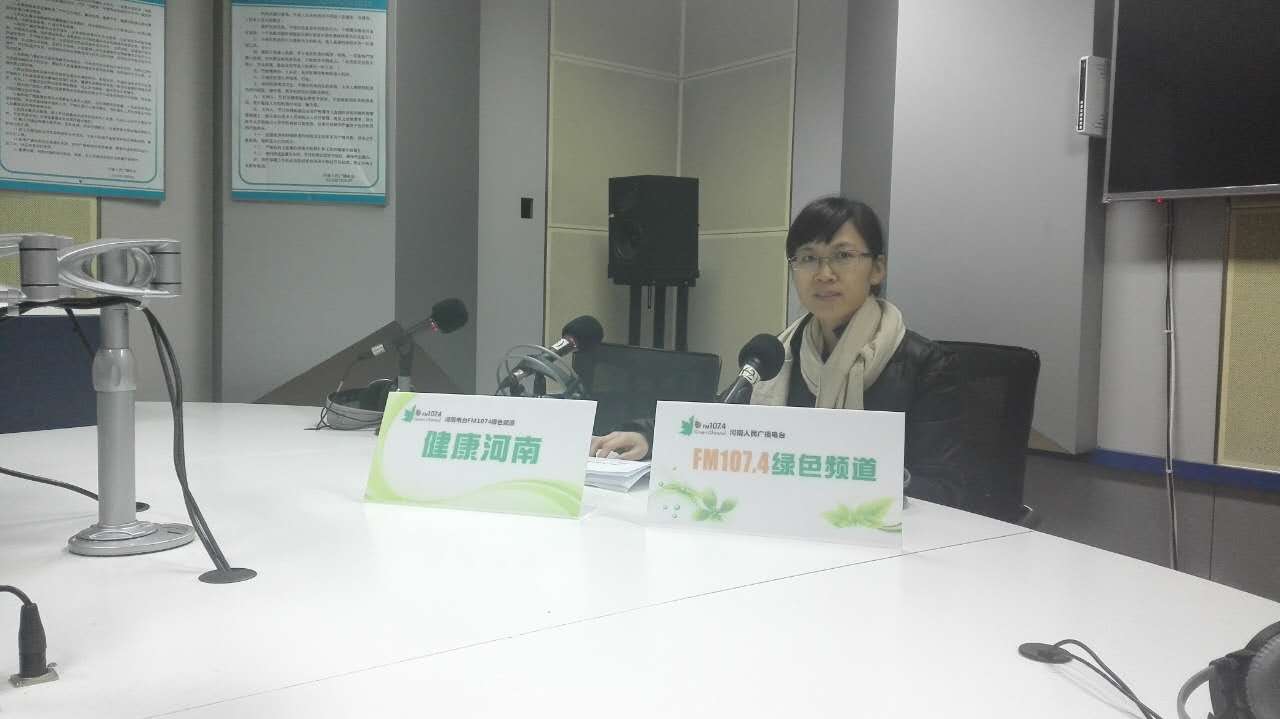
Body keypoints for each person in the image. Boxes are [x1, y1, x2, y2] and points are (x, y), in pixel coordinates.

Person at [589, 196, 971, 508]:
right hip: (783, 522)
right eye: (808, 258)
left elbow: (947, 487)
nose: (824, 273)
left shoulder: (925, 364)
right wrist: (649, 436)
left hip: (880, 540)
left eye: (842, 256)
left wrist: (863, 477)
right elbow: (721, 420)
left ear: (877, 269)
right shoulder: (779, 353)